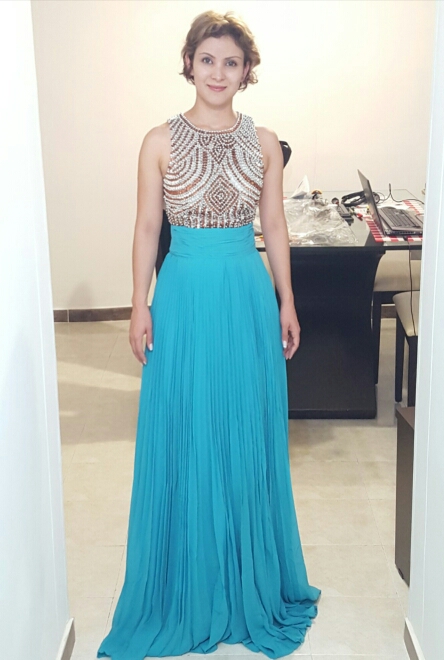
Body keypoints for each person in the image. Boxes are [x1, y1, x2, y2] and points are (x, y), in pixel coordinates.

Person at [97, 10, 320, 660]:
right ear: (189, 64)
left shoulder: (265, 142)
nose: (218, 73)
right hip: (185, 296)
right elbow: (146, 228)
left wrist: (287, 300)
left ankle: (248, 577)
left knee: (244, 426)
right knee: (188, 426)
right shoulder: (158, 141)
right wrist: (139, 305)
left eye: (231, 62)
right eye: (207, 60)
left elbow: (274, 227)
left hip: (245, 295)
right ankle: (188, 577)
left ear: (247, 72)